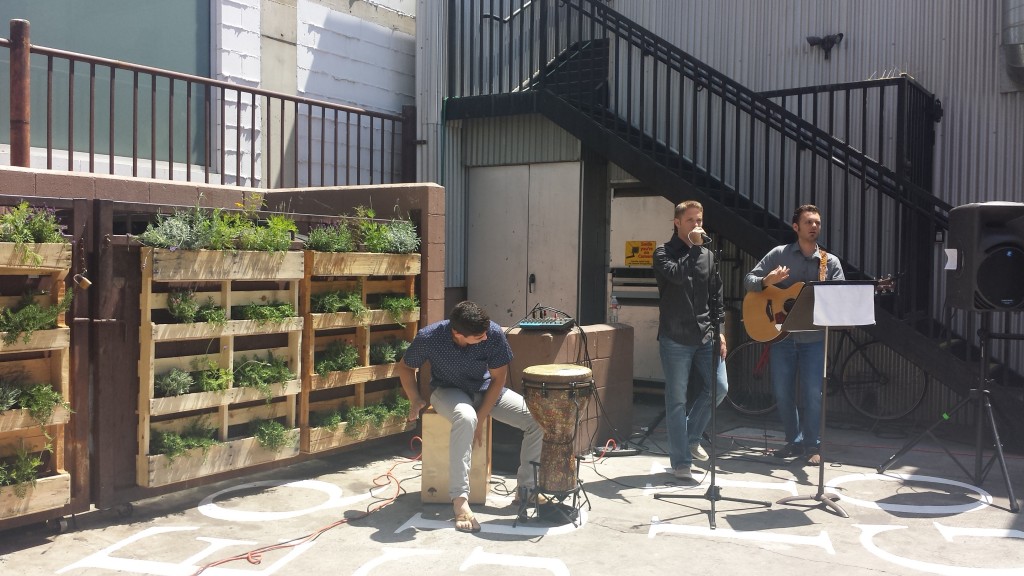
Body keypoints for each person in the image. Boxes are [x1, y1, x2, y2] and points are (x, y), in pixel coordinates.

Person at [397, 300, 544, 533]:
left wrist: (482, 416)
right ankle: (460, 500)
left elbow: (498, 380)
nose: (485, 338)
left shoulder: (493, 333)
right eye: (478, 337)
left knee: (536, 420)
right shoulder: (429, 337)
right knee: (465, 417)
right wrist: (415, 398)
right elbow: (405, 367)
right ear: (457, 333)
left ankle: (526, 490)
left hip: (486, 390)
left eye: (485, 334)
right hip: (447, 391)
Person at [743, 204, 845, 465]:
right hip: (782, 337)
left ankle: (813, 445)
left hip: (813, 339)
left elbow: (841, 296)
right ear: (796, 227)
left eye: (817, 223)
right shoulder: (779, 254)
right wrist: (767, 281)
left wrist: (831, 296)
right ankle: (794, 441)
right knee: (782, 392)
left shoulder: (829, 262)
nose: (814, 227)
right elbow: (749, 280)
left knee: (812, 393)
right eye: (809, 222)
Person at [653, 200, 728, 481]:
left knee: (719, 387)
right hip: (675, 336)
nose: (697, 225)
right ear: (677, 222)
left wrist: (721, 331)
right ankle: (681, 461)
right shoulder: (663, 252)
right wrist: (694, 248)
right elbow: (675, 275)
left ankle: (692, 437)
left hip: (705, 333)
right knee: (676, 401)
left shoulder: (708, 256)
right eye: (691, 221)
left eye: (699, 220)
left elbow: (716, 295)